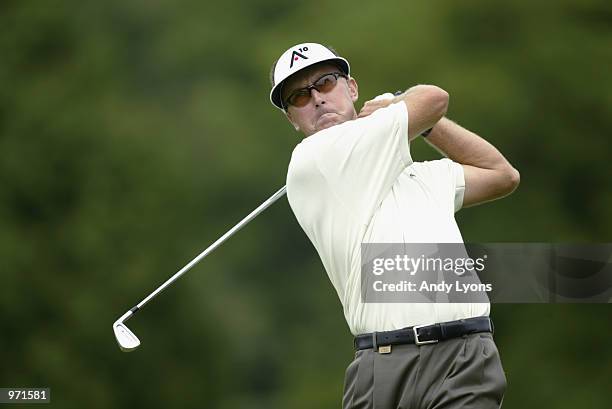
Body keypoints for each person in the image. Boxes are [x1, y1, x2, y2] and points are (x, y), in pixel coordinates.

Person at [269, 42, 519, 409]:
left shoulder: (418, 175)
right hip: (382, 362)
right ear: (292, 118)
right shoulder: (313, 159)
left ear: (351, 88)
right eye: (299, 96)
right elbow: (434, 97)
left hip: (465, 357)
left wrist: (426, 126)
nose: (317, 99)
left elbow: (502, 176)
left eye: (324, 83)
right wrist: (396, 103)